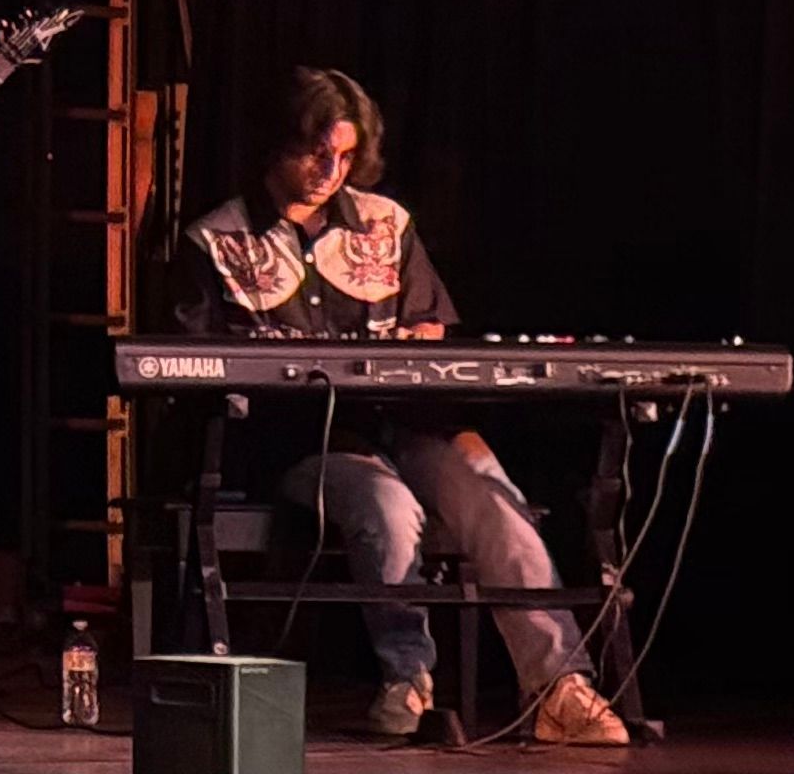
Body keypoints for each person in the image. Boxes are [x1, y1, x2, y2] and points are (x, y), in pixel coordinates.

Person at [170, 66, 629, 745]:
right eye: (315, 153)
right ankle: (407, 676)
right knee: (386, 505)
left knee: (490, 494)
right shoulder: (218, 240)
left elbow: (429, 324)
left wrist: (419, 340)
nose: (330, 171)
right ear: (276, 144)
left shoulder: (387, 223)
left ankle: (560, 685)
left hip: (409, 421)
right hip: (302, 440)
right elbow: (195, 369)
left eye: (345, 156)